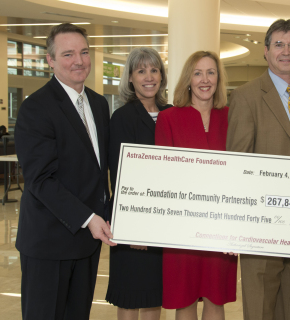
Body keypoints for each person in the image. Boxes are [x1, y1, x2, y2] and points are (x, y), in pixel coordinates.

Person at [226, 19, 290, 320]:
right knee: (260, 310)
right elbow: (238, 162)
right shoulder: (246, 96)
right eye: (279, 44)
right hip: (261, 226)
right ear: (266, 51)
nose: (286, 51)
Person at [14, 23, 116, 320]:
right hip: (49, 244)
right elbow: (40, 180)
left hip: (87, 244)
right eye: (68, 54)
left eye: (84, 52)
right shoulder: (36, 108)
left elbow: (98, 171)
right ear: (50, 60)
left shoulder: (98, 104)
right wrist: (89, 218)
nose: (79, 61)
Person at [155, 51, 237, 320]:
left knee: (216, 298)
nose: (205, 80)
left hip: (221, 224)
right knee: (185, 299)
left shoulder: (231, 118)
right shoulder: (169, 118)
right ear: (188, 79)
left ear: (219, 79)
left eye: (211, 73)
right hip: (182, 226)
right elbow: (162, 174)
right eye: (198, 73)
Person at [106, 47, 172, 320]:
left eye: (154, 70)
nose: (149, 77)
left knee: (153, 296)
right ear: (130, 78)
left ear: (162, 76)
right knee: (131, 296)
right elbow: (119, 175)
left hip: (164, 223)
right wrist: (135, 229)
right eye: (141, 70)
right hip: (133, 223)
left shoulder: (172, 113)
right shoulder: (121, 118)